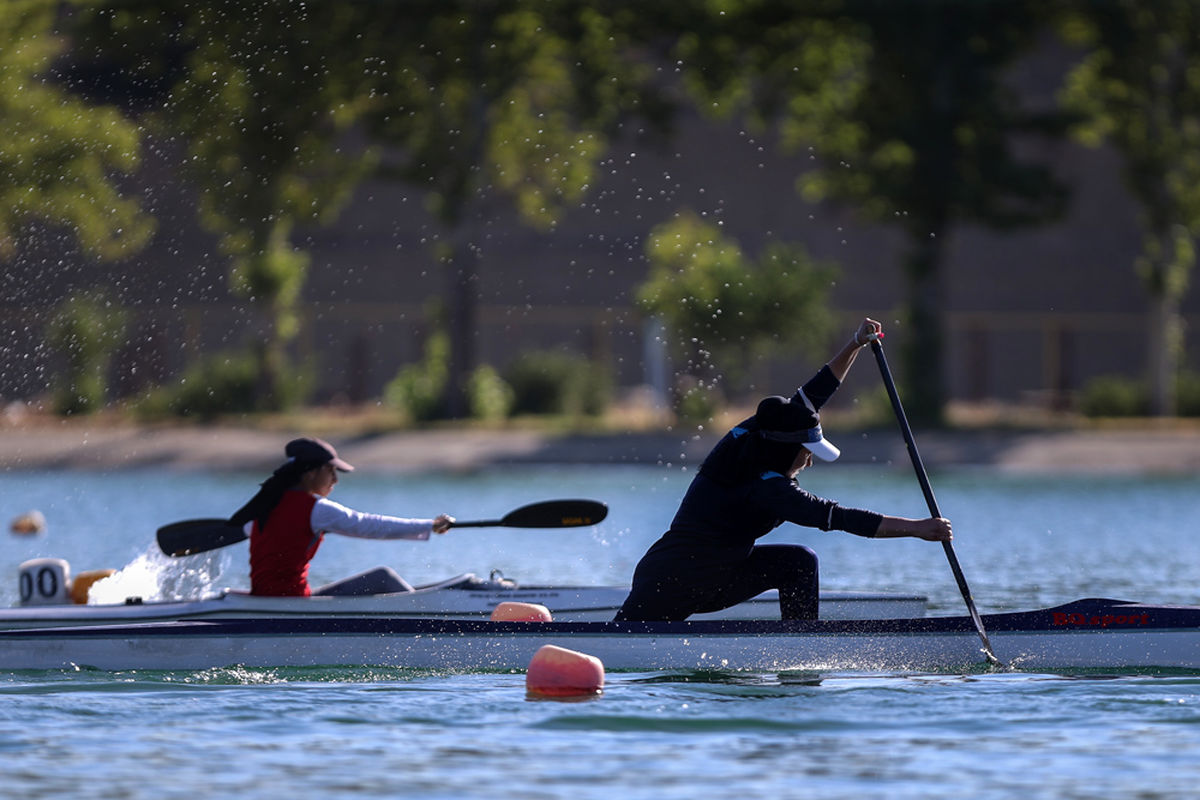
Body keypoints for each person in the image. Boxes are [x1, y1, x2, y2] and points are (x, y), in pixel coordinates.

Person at [614, 318, 952, 622]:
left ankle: (799, 640)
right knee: (623, 638)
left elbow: (813, 394)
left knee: (797, 563)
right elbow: (842, 518)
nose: (809, 461)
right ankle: (802, 645)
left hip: (715, 574)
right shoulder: (767, 488)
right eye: (806, 453)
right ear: (784, 450)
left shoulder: (757, 430)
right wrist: (919, 528)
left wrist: (855, 343)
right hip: (672, 582)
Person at [230, 437, 454, 597]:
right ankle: (434, 622)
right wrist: (430, 525)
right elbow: (368, 525)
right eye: (331, 471)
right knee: (383, 578)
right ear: (310, 474)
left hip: (267, 599)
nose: (335, 480)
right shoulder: (316, 509)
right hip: (291, 602)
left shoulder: (267, 505)